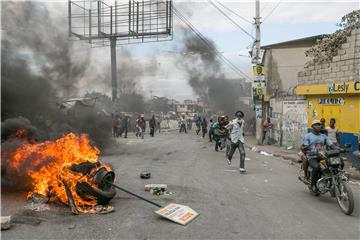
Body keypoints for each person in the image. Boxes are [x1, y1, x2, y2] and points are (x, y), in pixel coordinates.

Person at [300, 119, 340, 193]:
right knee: (316, 167)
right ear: (312, 126)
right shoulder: (308, 136)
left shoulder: (323, 136)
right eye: (316, 124)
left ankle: (333, 182)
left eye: (319, 124)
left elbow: (331, 144)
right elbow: (304, 146)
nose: (319, 126)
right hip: (312, 156)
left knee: (336, 165)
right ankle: (313, 185)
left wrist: (338, 148)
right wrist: (305, 149)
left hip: (323, 156)